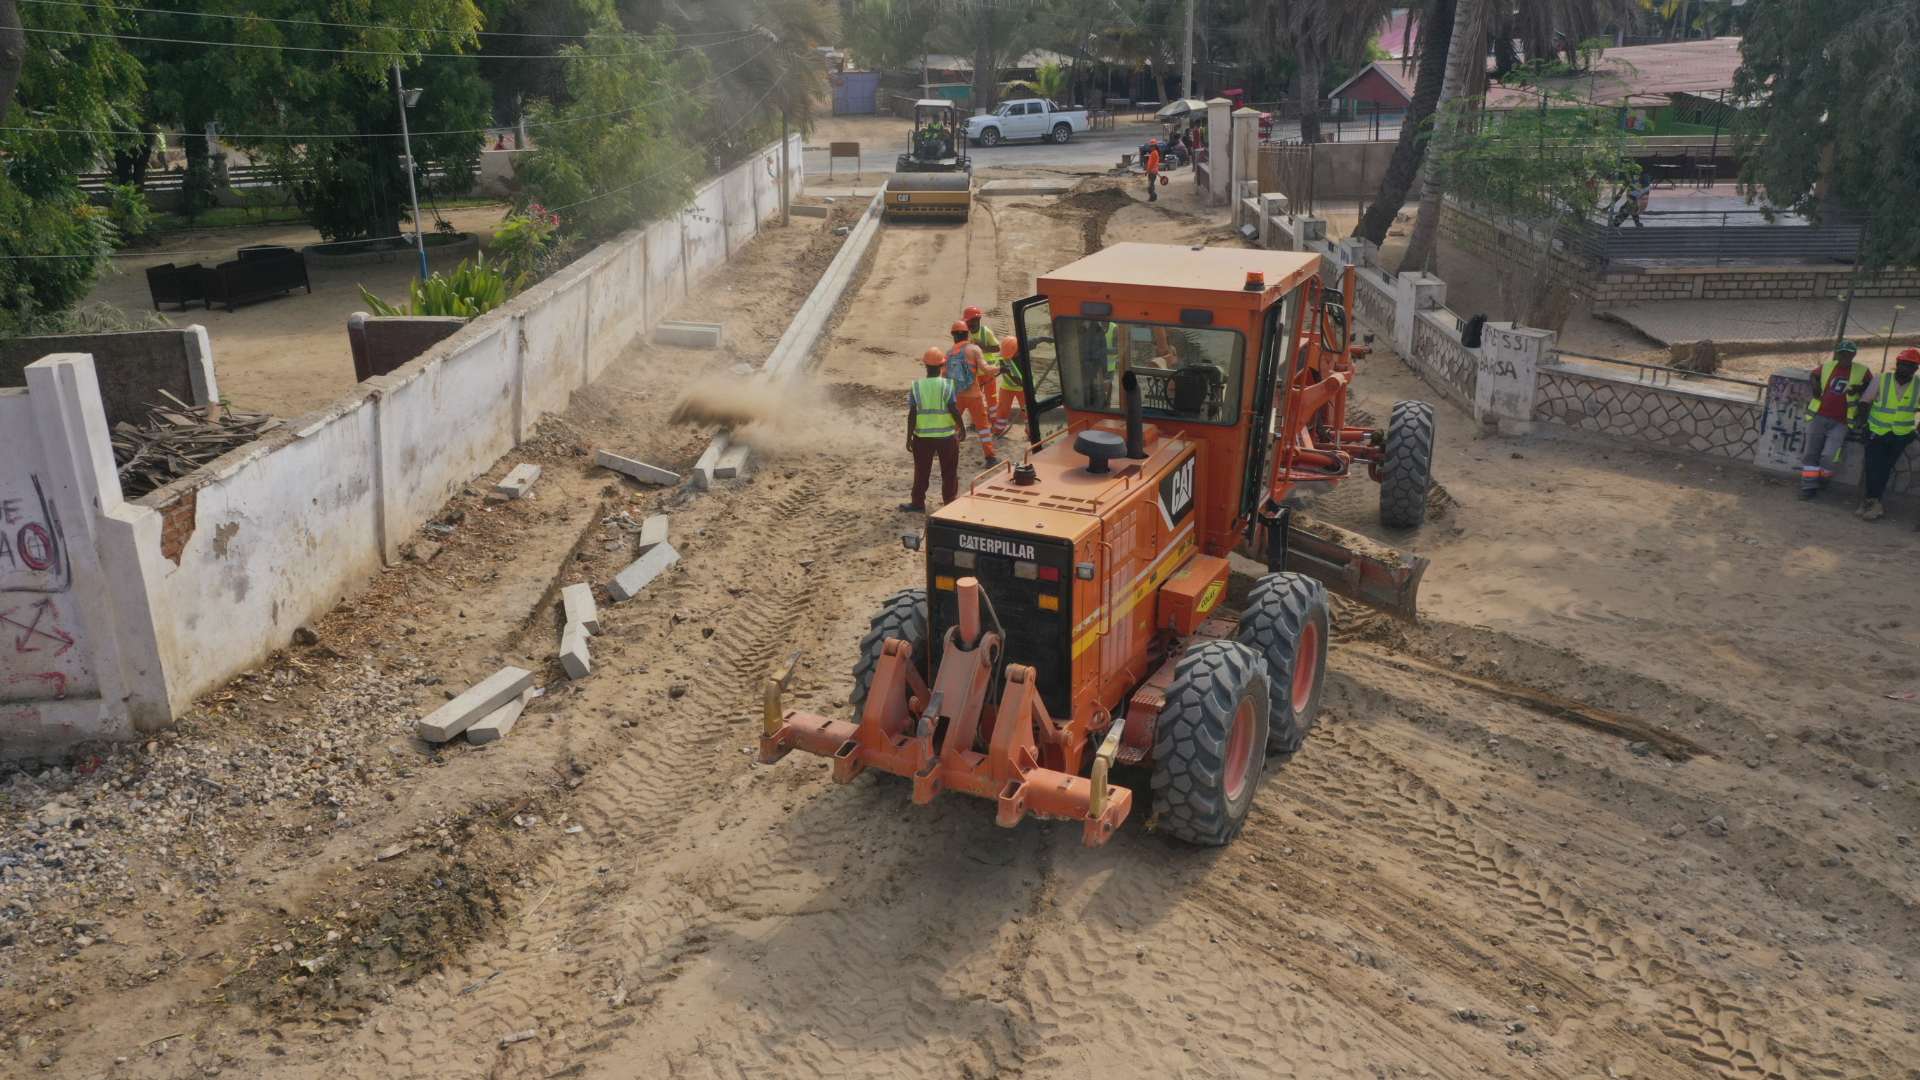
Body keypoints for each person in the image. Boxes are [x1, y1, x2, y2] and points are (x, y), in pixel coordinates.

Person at [1855, 347, 1920, 521]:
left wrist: (1916, 432)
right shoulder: (1881, 380)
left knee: (1884, 469)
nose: (1907, 367)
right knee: (1873, 467)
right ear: (1898, 364)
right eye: (1904, 363)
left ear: (1916, 369)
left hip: (1900, 435)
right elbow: (1864, 402)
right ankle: (1874, 502)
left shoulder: (1918, 386)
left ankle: (1870, 502)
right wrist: (1864, 425)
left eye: (1911, 365)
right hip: (1877, 431)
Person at [1801, 339, 1870, 499]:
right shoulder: (1828, 366)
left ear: (1854, 355)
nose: (1845, 356)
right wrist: (1815, 385)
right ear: (1837, 354)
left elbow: (1870, 384)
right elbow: (1813, 375)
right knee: (1810, 454)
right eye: (1842, 353)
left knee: (1830, 456)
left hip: (1842, 421)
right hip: (1818, 416)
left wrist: (1860, 388)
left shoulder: (1862, 370)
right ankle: (1808, 488)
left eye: (1849, 354)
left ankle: (1824, 478)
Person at [901, 347, 966, 512]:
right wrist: (962, 427)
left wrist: (909, 437)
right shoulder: (947, 386)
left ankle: (918, 503)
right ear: (941, 367)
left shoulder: (917, 386)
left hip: (922, 438)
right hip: (946, 437)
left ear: (926, 366)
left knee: (921, 471)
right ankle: (950, 502)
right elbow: (954, 409)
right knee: (949, 470)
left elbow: (912, 414)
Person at [945, 321, 1000, 465]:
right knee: (983, 428)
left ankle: (951, 457)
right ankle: (990, 457)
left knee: (954, 428)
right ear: (967, 334)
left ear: (954, 337)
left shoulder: (949, 353)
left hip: (957, 396)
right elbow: (987, 369)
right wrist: (1000, 368)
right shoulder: (974, 349)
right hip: (975, 395)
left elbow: (945, 377)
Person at [962, 304, 1001, 420]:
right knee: (976, 400)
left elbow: (997, 348)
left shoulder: (986, 332)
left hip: (988, 373)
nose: (966, 324)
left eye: (968, 321)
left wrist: (983, 346)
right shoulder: (966, 334)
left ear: (975, 320)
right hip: (974, 374)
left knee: (992, 399)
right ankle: (978, 421)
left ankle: (994, 422)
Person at [991, 335, 1024, 439]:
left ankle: (1031, 432)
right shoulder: (1003, 359)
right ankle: (998, 431)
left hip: (1022, 389)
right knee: (1002, 412)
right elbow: (1014, 378)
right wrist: (1028, 387)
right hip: (1008, 388)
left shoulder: (1024, 357)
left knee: (1028, 413)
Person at [1145, 139, 1162, 203]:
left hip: (1151, 172)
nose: (1151, 147)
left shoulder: (1154, 153)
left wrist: (1147, 171)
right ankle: (1154, 195)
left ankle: (1152, 197)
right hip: (1153, 172)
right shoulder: (1154, 152)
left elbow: (1152, 164)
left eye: (1152, 145)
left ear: (1154, 146)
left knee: (1150, 185)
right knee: (1152, 184)